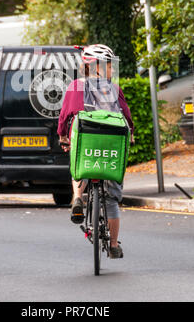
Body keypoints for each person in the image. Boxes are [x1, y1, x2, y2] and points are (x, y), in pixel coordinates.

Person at [57, 44, 134, 259]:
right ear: (98, 67)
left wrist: (63, 136)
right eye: (109, 66)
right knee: (111, 201)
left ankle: (77, 197)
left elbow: (64, 117)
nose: (111, 70)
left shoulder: (75, 87)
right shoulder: (114, 89)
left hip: (85, 141)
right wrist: (132, 135)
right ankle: (113, 244)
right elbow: (126, 118)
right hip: (110, 146)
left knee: (78, 163)